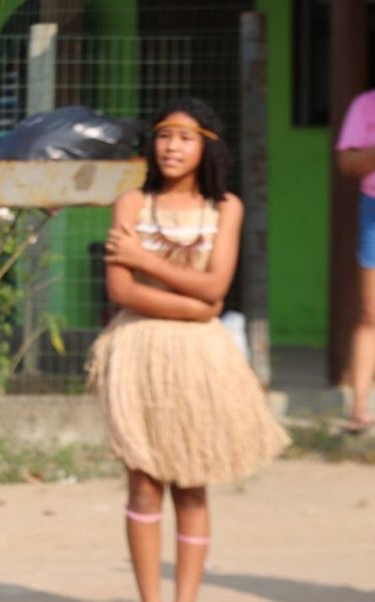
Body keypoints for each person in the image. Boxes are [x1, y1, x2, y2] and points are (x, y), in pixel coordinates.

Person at [87, 97, 290, 602]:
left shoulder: (226, 208)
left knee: (193, 480)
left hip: (199, 359)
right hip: (139, 350)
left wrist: (143, 258)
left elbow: (218, 284)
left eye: (185, 137)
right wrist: (196, 304)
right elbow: (123, 292)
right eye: (164, 135)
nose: (172, 146)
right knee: (144, 479)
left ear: (208, 146)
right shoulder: (133, 203)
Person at [336, 89, 375, 432]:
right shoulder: (364, 105)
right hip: (373, 211)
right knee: (370, 312)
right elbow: (348, 163)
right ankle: (359, 408)